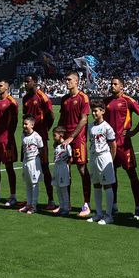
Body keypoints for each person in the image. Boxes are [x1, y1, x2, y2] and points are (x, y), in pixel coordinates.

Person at [104, 76, 139, 220]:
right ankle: (114, 205)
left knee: (132, 175)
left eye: (115, 84)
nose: (112, 86)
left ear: (122, 86)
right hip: (110, 144)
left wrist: (133, 132)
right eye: (111, 83)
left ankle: (138, 208)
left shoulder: (128, 100)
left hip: (124, 144)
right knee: (112, 175)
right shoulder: (107, 101)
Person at [57, 71, 92, 218]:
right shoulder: (64, 99)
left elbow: (83, 120)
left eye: (70, 80)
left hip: (78, 139)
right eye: (66, 80)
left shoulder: (83, 97)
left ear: (77, 81)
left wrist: (71, 137)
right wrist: (58, 136)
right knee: (66, 171)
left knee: (82, 169)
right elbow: (61, 119)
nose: (67, 82)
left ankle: (86, 204)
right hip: (66, 140)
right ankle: (66, 203)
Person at [22, 74, 55, 208]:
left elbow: (51, 115)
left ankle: (51, 200)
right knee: (28, 166)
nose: (25, 83)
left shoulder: (43, 97)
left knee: (45, 167)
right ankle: (30, 200)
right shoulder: (25, 98)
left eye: (27, 81)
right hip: (27, 138)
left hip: (40, 138)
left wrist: (45, 129)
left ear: (34, 82)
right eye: (24, 81)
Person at [0, 79, 19, 206]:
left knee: (9, 167)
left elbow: (15, 121)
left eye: (0, 85)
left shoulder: (12, 102)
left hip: (6, 140)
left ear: (6, 87)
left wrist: (9, 136)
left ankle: (13, 196)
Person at [87, 102, 117, 225]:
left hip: (104, 157)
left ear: (103, 111)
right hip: (93, 157)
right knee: (96, 185)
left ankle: (108, 215)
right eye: (93, 111)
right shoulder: (90, 126)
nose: (94, 113)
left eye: (97, 111)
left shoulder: (107, 127)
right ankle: (98, 213)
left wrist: (111, 160)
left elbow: (113, 145)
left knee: (107, 185)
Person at [19, 116, 44, 215]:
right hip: (26, 162)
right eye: (24, 124)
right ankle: (28, 204)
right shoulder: (23, 135)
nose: (24, 126)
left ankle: (34, 205)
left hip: (34, 161)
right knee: (28, 183)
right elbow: (23, 148)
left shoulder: (37, 136)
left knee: (34, 184)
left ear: (32, 125)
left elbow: (41, 149)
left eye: (26, 124)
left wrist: (39, 161)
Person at [51, 126, 73, 216]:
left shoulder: (67, 146)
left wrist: (67, 169)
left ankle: (66, 208)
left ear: (60, 135)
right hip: (56, 167)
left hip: (63, 168)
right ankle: (61, 206)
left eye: (54, 135)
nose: (53, 137)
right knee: (58, 188)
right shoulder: (56, 146)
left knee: (63, 189)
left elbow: (70, 159)